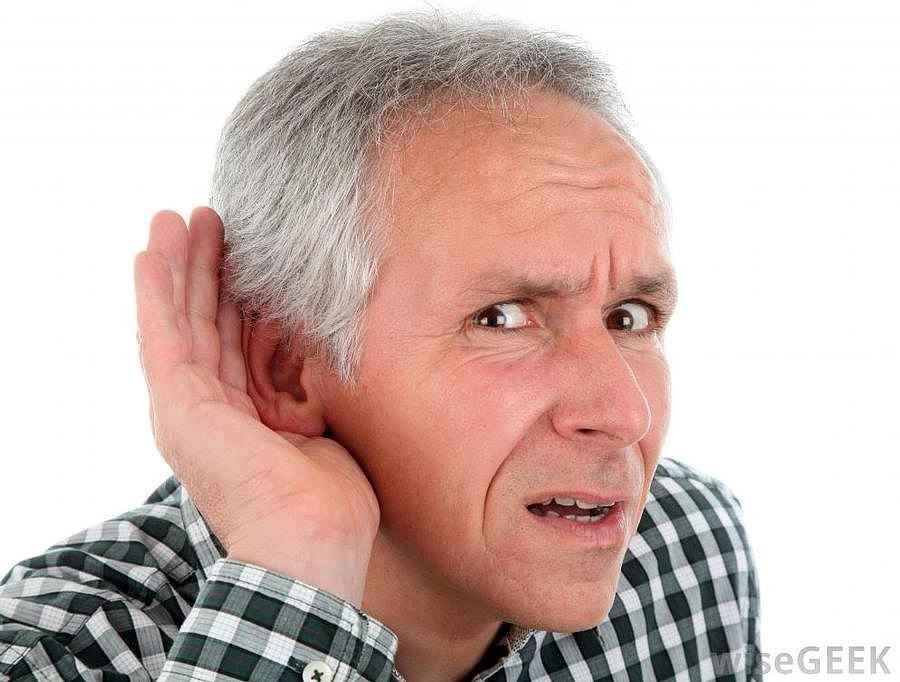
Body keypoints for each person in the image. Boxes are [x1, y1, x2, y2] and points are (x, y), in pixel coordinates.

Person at [0, 10, 759, 682]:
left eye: (629, 317)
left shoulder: (686, 545)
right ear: (286, 369)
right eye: (502, 318)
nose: (624, 414)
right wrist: (296, 567)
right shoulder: (50, 662)